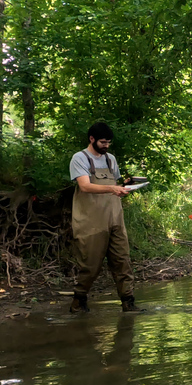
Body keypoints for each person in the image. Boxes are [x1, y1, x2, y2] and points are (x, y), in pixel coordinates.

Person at [68, 122, 143, 313]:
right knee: (90, 265)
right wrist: (112, 188)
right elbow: (85, 186)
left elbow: (114, 184)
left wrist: (125, 186)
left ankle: (128, 302)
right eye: (102, 142)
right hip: (90, 222)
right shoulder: (79, 158)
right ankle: (78, 302)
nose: (106, 145)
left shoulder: (111, 159)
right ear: (91, 139)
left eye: (108, 142)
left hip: (115, 219)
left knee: (122, 261)